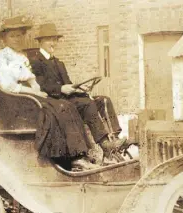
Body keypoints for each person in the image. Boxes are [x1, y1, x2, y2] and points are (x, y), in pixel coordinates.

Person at [0, 16, 99, 170]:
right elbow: (8, 86)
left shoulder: (21, 56)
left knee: (65, 105)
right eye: (12, 36)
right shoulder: (1, 57)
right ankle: (75, 157)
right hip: (17, 100)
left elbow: (32, 79)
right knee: (62, 107)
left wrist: (39, 90)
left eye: (19, 35)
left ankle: (79, 154)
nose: (17, 39)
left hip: (29, 94)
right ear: (4, 38)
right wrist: (34, 92)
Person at [30, 23, 127, 155]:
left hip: (68, 98)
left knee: (104, 100)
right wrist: (61, 89)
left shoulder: (59, 63)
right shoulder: (35, 62)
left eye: (55, 39)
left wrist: (80, 89)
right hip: (55, 102)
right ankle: (104, 144)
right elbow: (41, 85)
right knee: (87, 104)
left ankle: (115, 138)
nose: (53, 43)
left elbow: (68, 83)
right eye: (49, 40)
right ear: (40, 41)